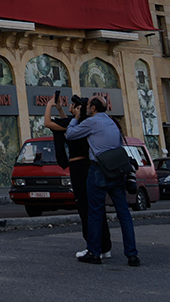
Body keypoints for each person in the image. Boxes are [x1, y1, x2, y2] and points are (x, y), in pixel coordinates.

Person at [65, 97, 139, 266]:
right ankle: (132, 255)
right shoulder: (113, 122)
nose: (86, 107)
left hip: (99, 170)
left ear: (92, 108)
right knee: (124, 213)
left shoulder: (92, 122)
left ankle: (94, 252)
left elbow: (70, 135)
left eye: (88, 105)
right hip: (117, 170)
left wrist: (76, 117)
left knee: (95, 212)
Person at [45, 94, 109, 258]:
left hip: (78, 167)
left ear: (78, 109)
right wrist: (60, 109)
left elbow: (48, 123)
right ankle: (105, 246)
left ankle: (92, 246)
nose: (71, 106)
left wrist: (49, 105)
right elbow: (67, 122)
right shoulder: (84, 123)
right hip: (88, 165)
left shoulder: (76, 124)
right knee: (96, 206)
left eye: (74, 105)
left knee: (84, 207)